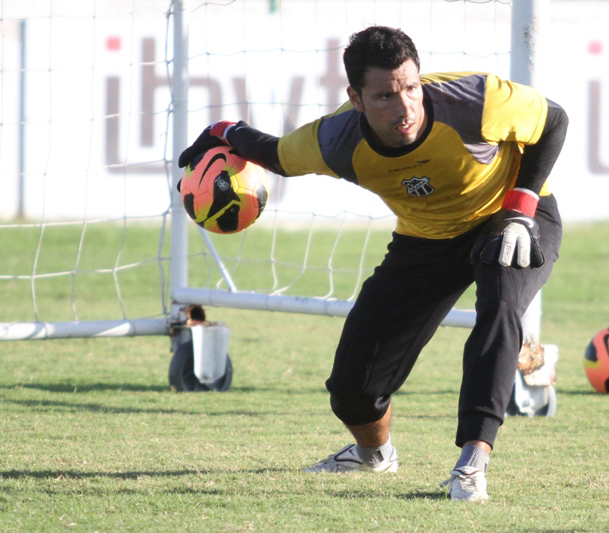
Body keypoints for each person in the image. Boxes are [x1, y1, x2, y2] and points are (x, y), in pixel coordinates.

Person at [179, 25, 567, 502]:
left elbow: (555, 121)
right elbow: (276, 155)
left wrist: (520, 209)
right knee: (351, 388)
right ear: (356, 99)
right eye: (385, 95)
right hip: (426, 239)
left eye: (410, 87)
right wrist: (222, 132)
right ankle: (373, 455)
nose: (404, 106)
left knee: (501, 305)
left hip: (508, 218)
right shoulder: (336, 140)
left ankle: (472, 463)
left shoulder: (477, 101)